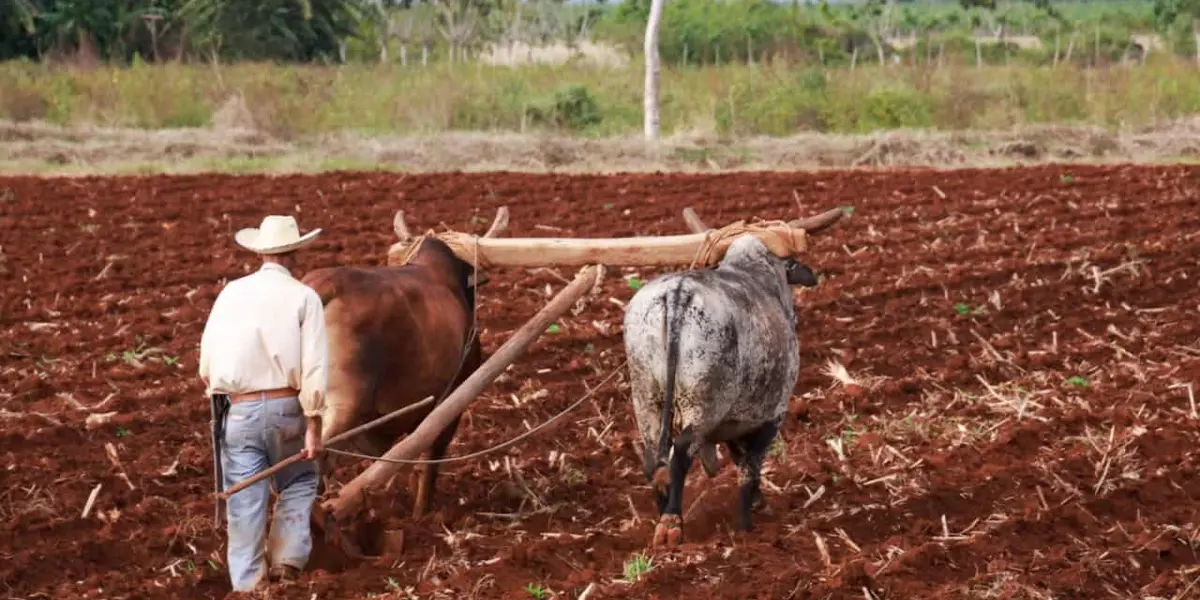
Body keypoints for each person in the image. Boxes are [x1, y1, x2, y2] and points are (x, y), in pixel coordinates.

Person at [198, 214, 329, 591]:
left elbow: (207, 365)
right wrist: (314, 424)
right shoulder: (304, 296)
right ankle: (287, 562)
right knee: (301, 480)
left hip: (237, 410)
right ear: (295, 253)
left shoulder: (231, 292)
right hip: (287, 408)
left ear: (259, 252)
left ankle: (248, 586)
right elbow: (315, 366)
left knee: (245, 495)